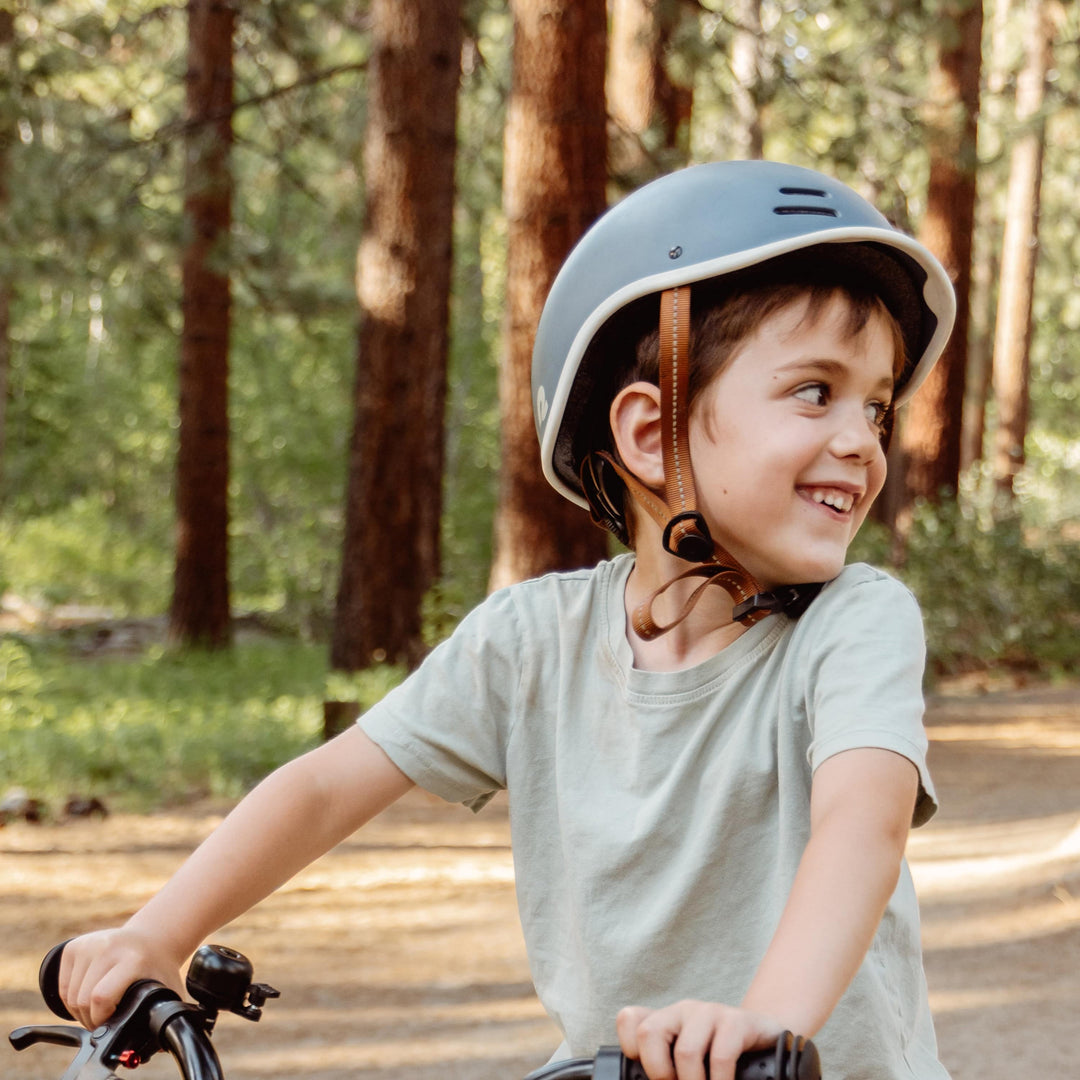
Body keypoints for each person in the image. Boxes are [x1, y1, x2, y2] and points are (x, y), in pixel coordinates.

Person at [56, 161, 957, 1080]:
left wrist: (768, 1021)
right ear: (649, 434)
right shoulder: (533, 643)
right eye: (816, 391)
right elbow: (328, 786)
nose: (862, 440)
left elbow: (862, 825)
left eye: (878, 408)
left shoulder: (855, 624)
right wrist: (159, 933)